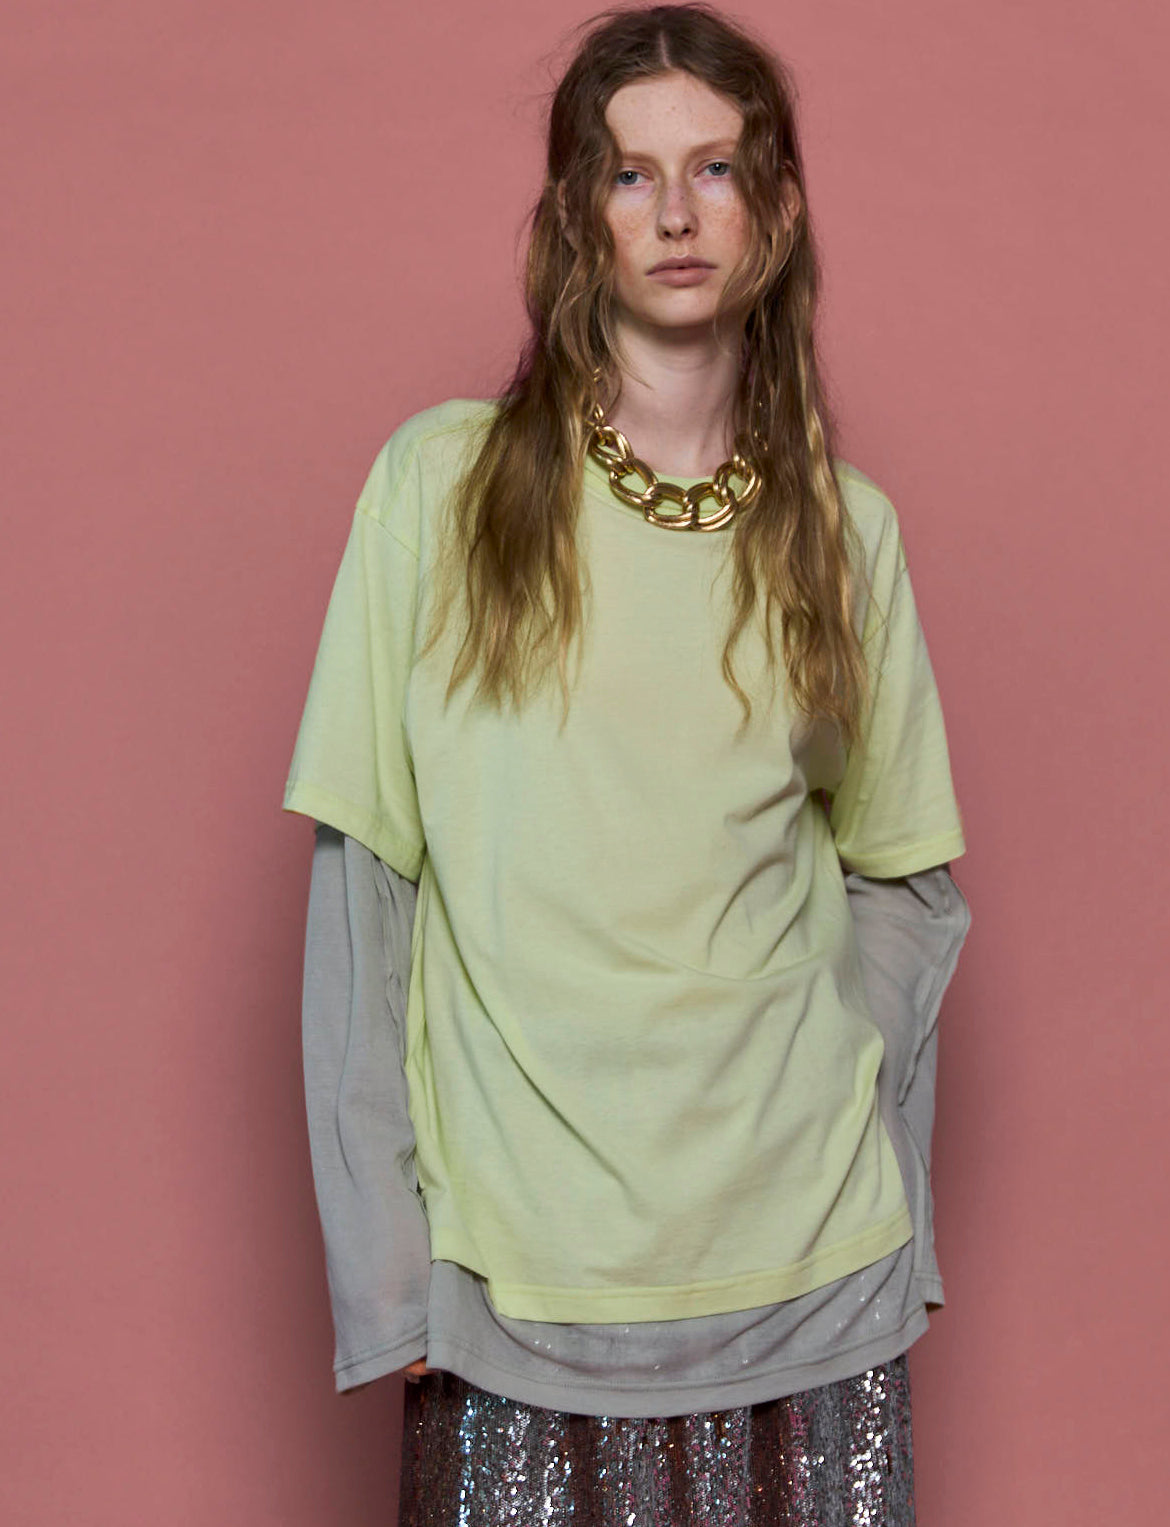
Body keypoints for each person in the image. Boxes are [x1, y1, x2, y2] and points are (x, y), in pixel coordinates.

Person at [282, 5, 970, 1523]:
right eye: (629, 173)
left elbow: (904, 883)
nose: (673, 214)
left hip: (806, 1274)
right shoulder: (440, 490)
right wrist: (385, 1267)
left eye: (714, 169)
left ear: (775, 208)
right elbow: (364, 889)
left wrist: (851, 1147)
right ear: (573, 215)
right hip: (519, 1279)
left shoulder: (845, 533)